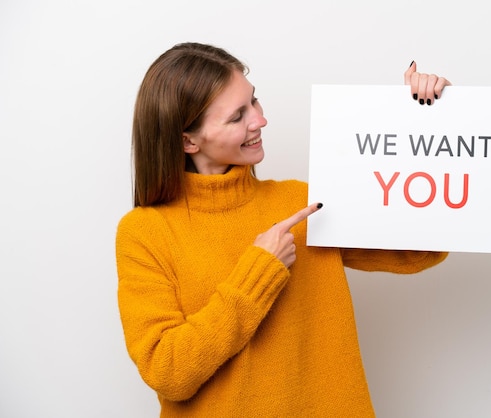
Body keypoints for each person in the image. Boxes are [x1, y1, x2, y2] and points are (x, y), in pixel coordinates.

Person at [116, 42, 450, 417]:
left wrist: (426, 119)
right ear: (188, 140)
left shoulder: (303, 202)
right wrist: (259, 271)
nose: (259, 120)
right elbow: (168, 371)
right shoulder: (145, 232)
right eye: (236, 116)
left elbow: (418, 250)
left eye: (254, 102)